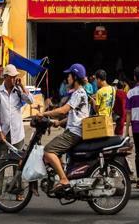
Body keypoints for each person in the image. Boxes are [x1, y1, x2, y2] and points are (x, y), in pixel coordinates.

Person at [42, 63, 90, 194]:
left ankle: (63, 179)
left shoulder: (78, 93)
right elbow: (76, 116)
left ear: (74, 77)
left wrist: (44, 113)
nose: (67, 78)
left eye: (69, 75)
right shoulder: (78, 93)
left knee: (48, 150)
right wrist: (58, 123)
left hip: (74, 133)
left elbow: (64, 110)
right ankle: (63, 173)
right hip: (74, 130)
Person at [0, 64, 32, 183]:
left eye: (15, 77)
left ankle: (18, 190)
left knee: (18, 163)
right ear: (6, 77)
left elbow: (30, 100)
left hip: (17, 133)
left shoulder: (18, 90)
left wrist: (22, 87)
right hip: (3, 133)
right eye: (12, 77)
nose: (15, 79)